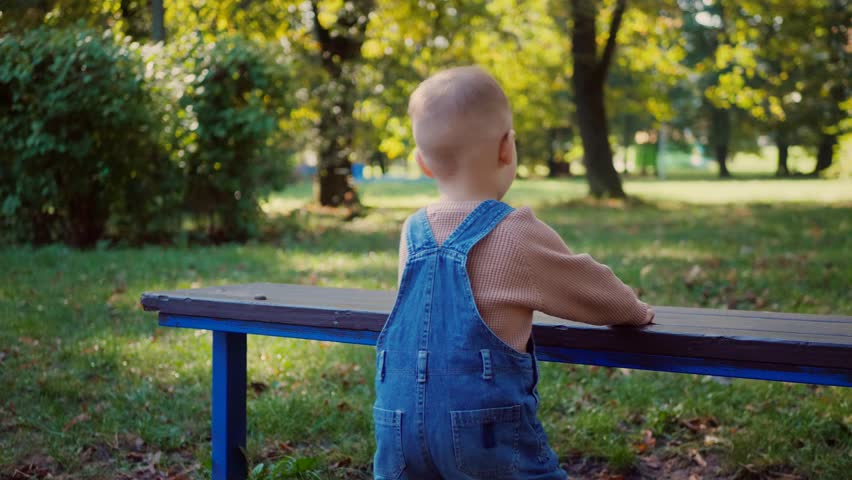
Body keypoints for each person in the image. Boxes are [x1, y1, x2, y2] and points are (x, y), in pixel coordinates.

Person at [372, 66, 654, 480]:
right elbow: (597, 294)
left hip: (395, 428)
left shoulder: (412, 231)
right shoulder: (513, 232)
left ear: (422, 163)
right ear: (507, 149)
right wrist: (635, 309)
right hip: (480, 432)